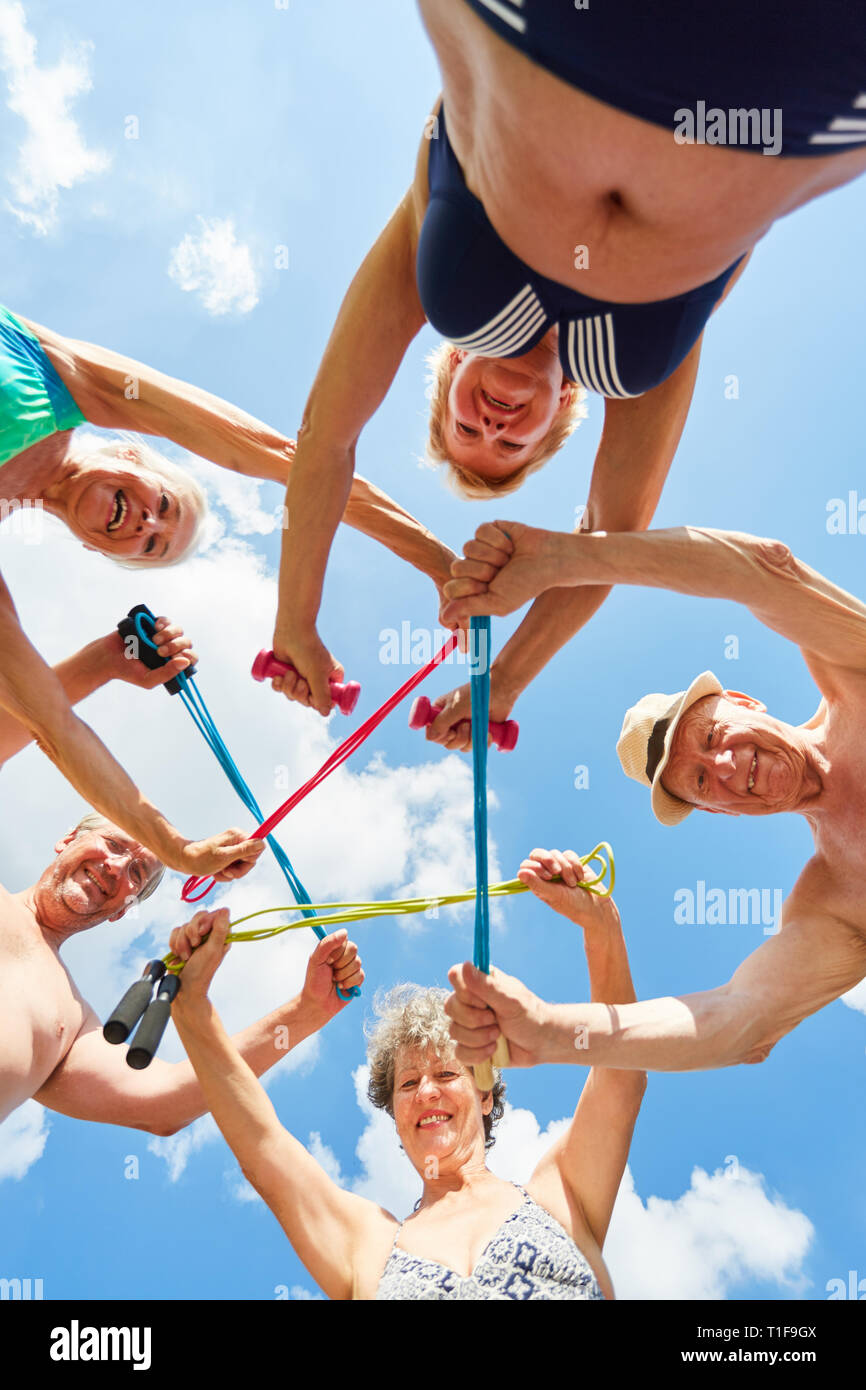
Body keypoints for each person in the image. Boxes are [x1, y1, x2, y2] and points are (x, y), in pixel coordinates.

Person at [266, 0, 866, 736]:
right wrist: (503, 686)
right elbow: (613, 540)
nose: (490, 425)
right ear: (560, 416)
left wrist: (295, 618)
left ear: (452, 369)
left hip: (545, 28)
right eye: (510, 445)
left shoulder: (428, 261)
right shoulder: (633, 368)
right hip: (807, 86)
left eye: (464, 424)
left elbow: (325, 440)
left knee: (467, 304)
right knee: (630, 369)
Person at [0, 303, 461, 870]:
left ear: (100, 549)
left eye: (152, 544)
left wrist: (175, 847)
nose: (149, 523)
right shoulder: (68, 377)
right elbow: (282, 456)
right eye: (162, 504)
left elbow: (55, 727)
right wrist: (438, 563)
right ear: (131, 454)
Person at [443, 520, 866, 1074]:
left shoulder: (850, 672)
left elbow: (766, 570)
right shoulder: (831, 899)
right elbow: (737, 1020)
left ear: (743, 700)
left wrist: (567, 558)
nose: (724, 767)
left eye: (711, 736)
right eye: (699, 784)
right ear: (717, 811)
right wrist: (547, 1032)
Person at [170, 848, 645, 1300]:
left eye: (445, 1073)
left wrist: (601, 926)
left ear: (484, 1094)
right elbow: (263, 1149)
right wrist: (191, 1010)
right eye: (408, 1083)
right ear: (395, 1115)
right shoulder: (368, 1245)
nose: (427, 1093)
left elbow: (620, 1077)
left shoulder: (559, 1192)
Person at [0, 807, 363, 1131]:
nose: (114, 867)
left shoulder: (70, 1022)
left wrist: (308, 1010)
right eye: (112, 843)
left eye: (137, 872)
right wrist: (185, 852)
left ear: (123, 910)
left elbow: (166, 1101)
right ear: (67, 840)